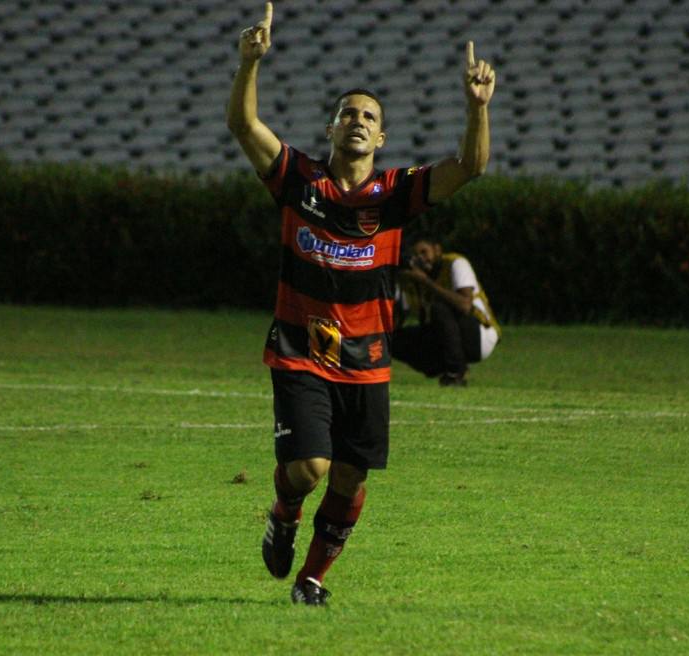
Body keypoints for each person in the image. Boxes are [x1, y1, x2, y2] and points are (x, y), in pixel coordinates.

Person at [226, 2, 495, 606]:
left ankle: (311, 580)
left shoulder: (395, 193)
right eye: (347, 112)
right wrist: (249, 63)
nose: (357, 120)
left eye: (369, 116)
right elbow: (244, 125)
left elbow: (470, 166)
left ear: (381, 138)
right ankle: (285, 511)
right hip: (301, 348)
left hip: (368, 358)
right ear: (331, 129)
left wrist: (477, 108)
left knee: (349, 477)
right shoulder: (298, 178)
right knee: (311, 467)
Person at [393, 234, 501, 386]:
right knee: (392, 339)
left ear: (437, 250)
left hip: (479, 334)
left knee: (439, 308)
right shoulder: (410, 280)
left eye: (424, 252)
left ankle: (455, 372)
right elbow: (397, 319)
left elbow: (465, 305)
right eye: (416, 255)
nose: (421, 258)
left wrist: (425, 281)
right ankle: (440, 367)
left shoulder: (455, 263)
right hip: (449, 337)